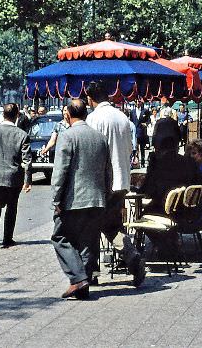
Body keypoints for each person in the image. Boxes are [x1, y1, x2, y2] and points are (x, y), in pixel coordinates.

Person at [85, 82, 146, 286]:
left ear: (90, 99)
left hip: (102, 182)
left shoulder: (93, 118)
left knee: (92, 227)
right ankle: (131, 255)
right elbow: (130, 149)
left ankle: (92, 272)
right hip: (121, 181)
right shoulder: (122, 117)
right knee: (112, 225)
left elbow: (91, 152)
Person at [50, 98, 112, 300]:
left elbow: (60, 172)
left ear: (67, 114)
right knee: (87, 242)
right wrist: (106, 194)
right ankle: (83, 286)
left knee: (60, 237)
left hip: (73, 199)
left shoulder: (67, 136)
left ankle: (78, 279)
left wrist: (56, 200)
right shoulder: (100, 138)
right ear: (86, 113)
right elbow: (108, 172)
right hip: (97, 198)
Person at [137, 118, 202, 254]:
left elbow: (148, 191)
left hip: (168, 213)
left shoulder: (158, 163)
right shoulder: (188, 162)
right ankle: (170, 241)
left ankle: (163, 244)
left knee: (140, 217)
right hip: (190, 211)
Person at [0, 103, 32, 247]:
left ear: (3, 115)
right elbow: (27, 160)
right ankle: (7, 237)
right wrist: (28, 180)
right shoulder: (22, 135)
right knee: (12, 206)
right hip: (14, 177)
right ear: (17, 116)